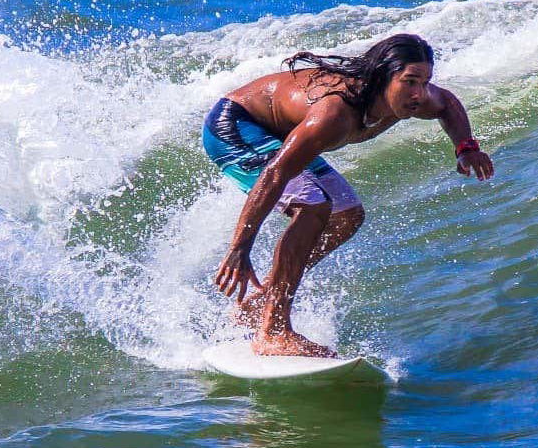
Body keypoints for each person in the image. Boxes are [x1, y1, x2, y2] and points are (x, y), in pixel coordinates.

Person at [202, 33, 494, 357]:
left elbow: (448, 104)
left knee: (347, 214)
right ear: (383, 77)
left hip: (284, 131)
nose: (419, 93)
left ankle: (258, 304)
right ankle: (273, 331)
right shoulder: (335, 114)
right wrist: (240, 248)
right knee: (313, 205)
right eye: (409, 81)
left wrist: (466, 147)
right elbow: (275, 174)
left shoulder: (414, 98)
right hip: (236, 126)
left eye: (424, 82)